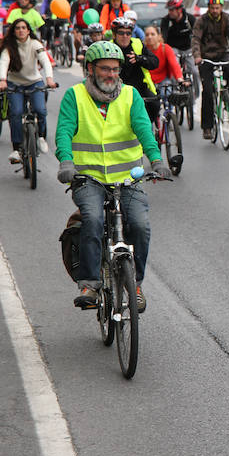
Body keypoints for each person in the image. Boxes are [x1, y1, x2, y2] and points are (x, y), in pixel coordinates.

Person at [54, 40, 173, 312]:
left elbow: (144, 129)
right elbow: (64, 131)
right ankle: (89, 284)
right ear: (90, 69)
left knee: (140, 225)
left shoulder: (130, 95)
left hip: (127, 178)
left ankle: (137, 284)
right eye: (105, 69)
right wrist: (66, 162)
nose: (111, 75)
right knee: (93, 220)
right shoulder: (75, 96)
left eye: (115, 69)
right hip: (88, 178)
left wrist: (156, 160)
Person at [0, 18, 57, 164]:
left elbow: (45, 61)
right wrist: (3, 80)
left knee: (40, 110)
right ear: (14, 31)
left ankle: (41, 136)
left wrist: (49, 79)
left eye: (24, 28)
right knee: (16, 113)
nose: (21, 30)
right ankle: (17, 148)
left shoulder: (35, 44)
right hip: (14, 84)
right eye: (18, 28)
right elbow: (4, 63)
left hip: (34, 82)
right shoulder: (9, 46)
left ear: (29, 30)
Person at [191, 0, 229, 140]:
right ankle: (207, 127)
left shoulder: (227, 19)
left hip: (222, 53)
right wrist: (197, 56)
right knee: (207, 90)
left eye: (217, 8)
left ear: (221, 8)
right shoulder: (201, 21)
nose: (214, 10)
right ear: (208, 8)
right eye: (212, 8)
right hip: (205, 57)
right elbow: (196, 39)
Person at [111, 17, 160, 124]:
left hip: (140, 88)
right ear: (114, 34)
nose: (125, 36)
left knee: (155, 104)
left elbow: (155, 62)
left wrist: (140, 59)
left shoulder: (137, 44)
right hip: (116, 89)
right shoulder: (109, 47)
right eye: (121, 33)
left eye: (128, 33)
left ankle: (149, 127)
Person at [160, 0, 199, 98]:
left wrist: (198, 50)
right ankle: (176, 90)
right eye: (169, 10)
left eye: (172, 10)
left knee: (195, 71)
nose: (170, 12)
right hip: (173, 48)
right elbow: (163, 38)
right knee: (174, 68)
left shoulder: (190, 19)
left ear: (179, 9)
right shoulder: (166, 21)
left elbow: (197, 35)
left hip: (188, 48)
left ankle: (195, 95)